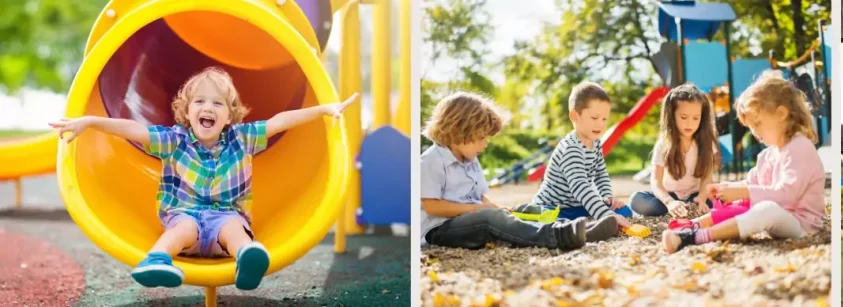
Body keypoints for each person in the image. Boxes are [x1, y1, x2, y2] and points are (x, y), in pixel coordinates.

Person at [48, 67, 358, 290]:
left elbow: (279, 122)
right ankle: (157, 260)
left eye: (217, 103)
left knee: (234, 227)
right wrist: (89, 121)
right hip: (186, 221)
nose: (207, 108)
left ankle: (247, 257)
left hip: (225, 219)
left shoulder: (242, 137)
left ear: (230, 115)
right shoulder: (174, 139)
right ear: (186, 111)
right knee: (183, 226)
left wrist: (322, 110)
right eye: (199, 102)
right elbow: (133, 129)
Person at [659, 72, 825, 255]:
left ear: (781, 114)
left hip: (801, 224)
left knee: (764, 207)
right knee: (741, 204)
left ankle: (696, 237)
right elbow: (752, 184)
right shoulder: (767, 154)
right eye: (751, 127)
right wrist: (726, 188)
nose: (754, 132)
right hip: (776, 216)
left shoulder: (800, 147)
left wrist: (744, 192)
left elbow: (788, 194)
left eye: (758, 123)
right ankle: (691, 226)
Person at [419, 92, 588, 251]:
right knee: (490, 218)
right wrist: (476, 210)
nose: (485, 144)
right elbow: (432, 206)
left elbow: (480, 198)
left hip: (471, 219)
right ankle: (555, 236)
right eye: (481, 138)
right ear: (458, 131)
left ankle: (579, 229)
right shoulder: (431, 161)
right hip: (439, 230)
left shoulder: (470, 160)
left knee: (520, 209)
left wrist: (499, 209)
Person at [527, 81, 630, 242]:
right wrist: (606, 215)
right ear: (575, 116)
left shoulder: (595, 144)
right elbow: (580, 187)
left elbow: (601, 174)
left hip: (575, 206)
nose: (600, 124)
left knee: (625, 211)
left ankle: (586, 224)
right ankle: (577, 229)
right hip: (552, 206)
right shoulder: (571, 148)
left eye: (604, 119)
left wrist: (608, 198)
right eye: (594, 117)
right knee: (551, 223)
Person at [628, 84, 719, 219]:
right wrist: (669, 202)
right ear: (672, 116)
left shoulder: (706, 143)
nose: (690, 123)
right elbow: (656, 181)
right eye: (683, 117)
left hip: (695, 196)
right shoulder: (664, 144)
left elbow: (707, 177)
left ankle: (688, 208)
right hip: (669, 196)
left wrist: (702, 197)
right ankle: (676, 209)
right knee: (637, 199)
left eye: (696, 118)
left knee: (719, 199)